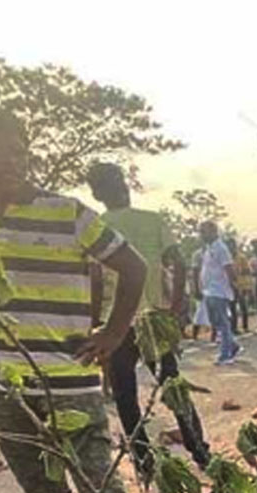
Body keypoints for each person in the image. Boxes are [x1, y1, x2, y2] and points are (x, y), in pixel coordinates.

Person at [0, 104, 147, 493]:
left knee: (101, 485)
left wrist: (113, 333)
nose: (11, 161)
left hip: (72, 377)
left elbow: (132, 267)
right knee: (43, 492)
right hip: (5, 388)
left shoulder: (67, 212)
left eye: (19, 152)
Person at [85, 162, 211, 473]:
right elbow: (179, 264)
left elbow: (95, 280)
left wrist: (93, 324)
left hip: (116, 324)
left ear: (97, 194)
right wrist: (176, 307)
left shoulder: (96, 227)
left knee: (125, 394)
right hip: (153, 319)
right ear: (125, 184)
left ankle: (143, 460)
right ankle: (200, 451)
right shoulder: (153, 221)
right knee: (172, 386)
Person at [197, 221, 240, 365]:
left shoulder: (221, 248)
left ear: (213, 231)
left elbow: (228, 268)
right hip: (209, 291)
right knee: (215, 322)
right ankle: (232, 345)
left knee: (222, 323)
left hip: (219, 291)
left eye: (204, 232)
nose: (201, 235)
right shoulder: (208, 249)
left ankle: (226, 355)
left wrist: (235, 284)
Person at [229, 238, 252, 334]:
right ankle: (233, 328)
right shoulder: (227, 258)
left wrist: (238, 272)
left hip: (242, 285)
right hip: (231, 285)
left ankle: (245, 326)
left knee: (243, 307)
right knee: (232, 308)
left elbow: (248, 270)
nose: (231, 247)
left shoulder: (241, 257)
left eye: (233, 245)